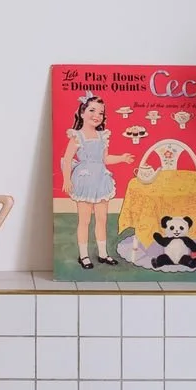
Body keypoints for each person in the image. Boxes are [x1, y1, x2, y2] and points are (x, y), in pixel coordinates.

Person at [60, 94, 134, 269]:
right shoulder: (77, 136)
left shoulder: (103, 136)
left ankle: (102, 253)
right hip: (84, 180)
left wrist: (122, 158)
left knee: (101, 218)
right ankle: (84, 255)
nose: (97, 115)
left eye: (100, 113)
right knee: (84, 220)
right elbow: (68, 158)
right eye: (92, 110)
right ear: (82, 113)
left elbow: (106, 159)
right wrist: (66, 179)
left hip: (101, 179)